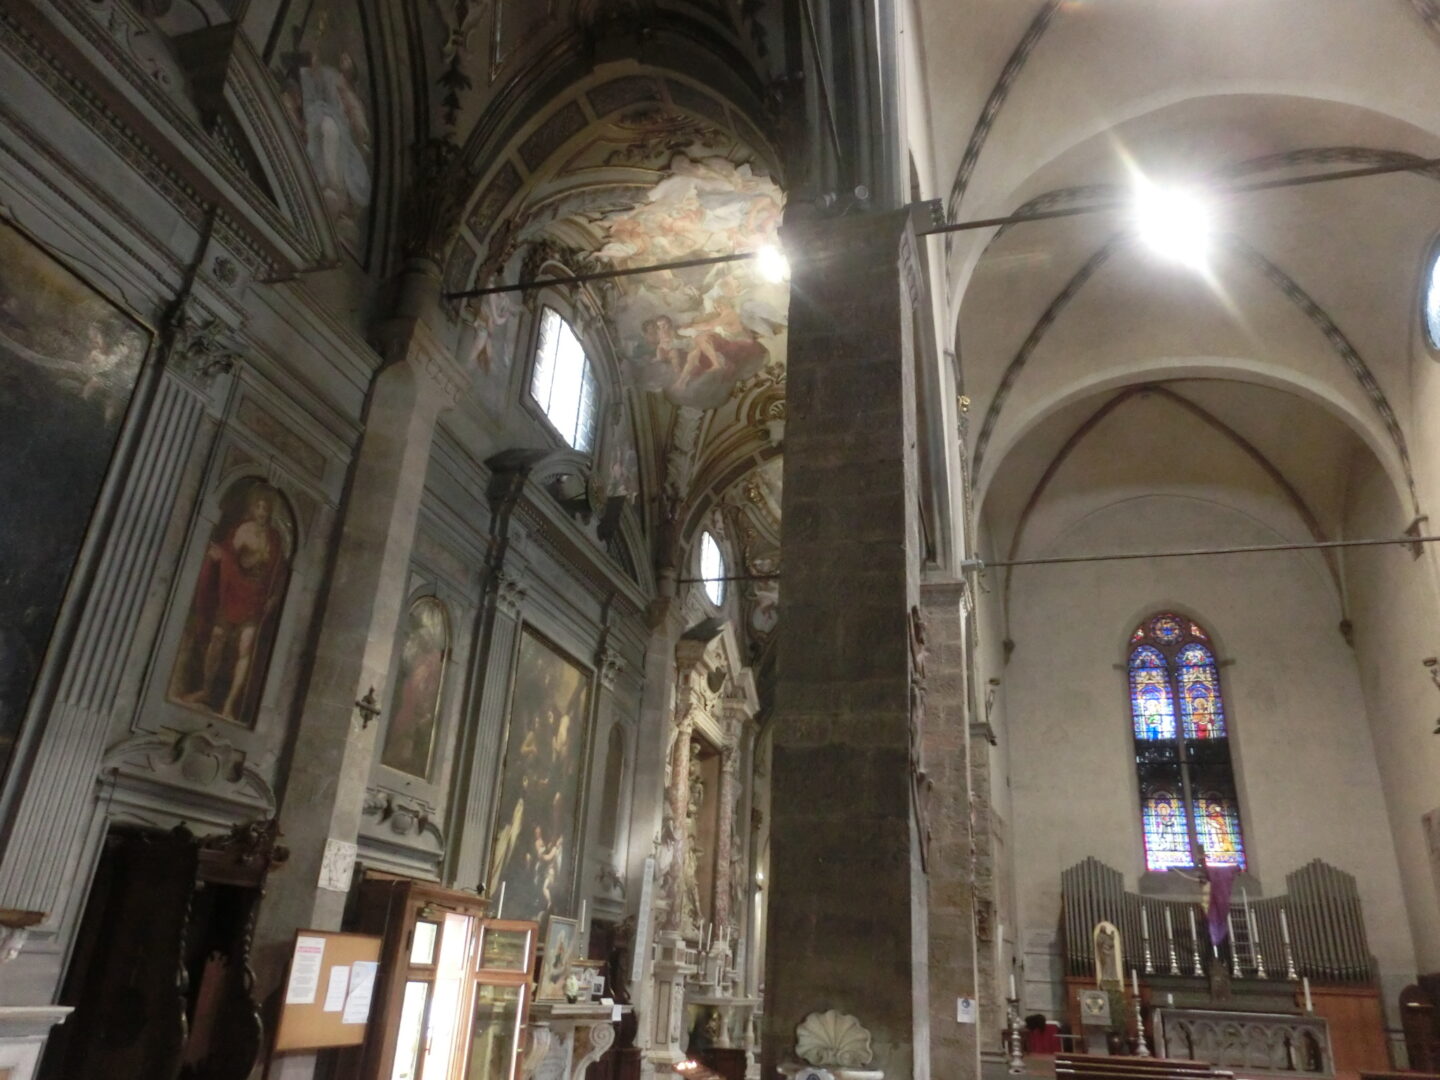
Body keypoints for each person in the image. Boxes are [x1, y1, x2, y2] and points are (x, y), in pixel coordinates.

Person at [180, 485, 288, 722]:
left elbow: (279, 573)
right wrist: (219, 555)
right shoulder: (243, 529)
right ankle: (206, 689)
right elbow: (229, 554)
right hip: (234, 592)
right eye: (259, 507)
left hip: (256, 598)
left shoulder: (274, 539)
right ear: (253, 509)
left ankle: (229, 704)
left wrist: (274, 597)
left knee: (245, 648)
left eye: (266, 508)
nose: (262, 512)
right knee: (217, 639)